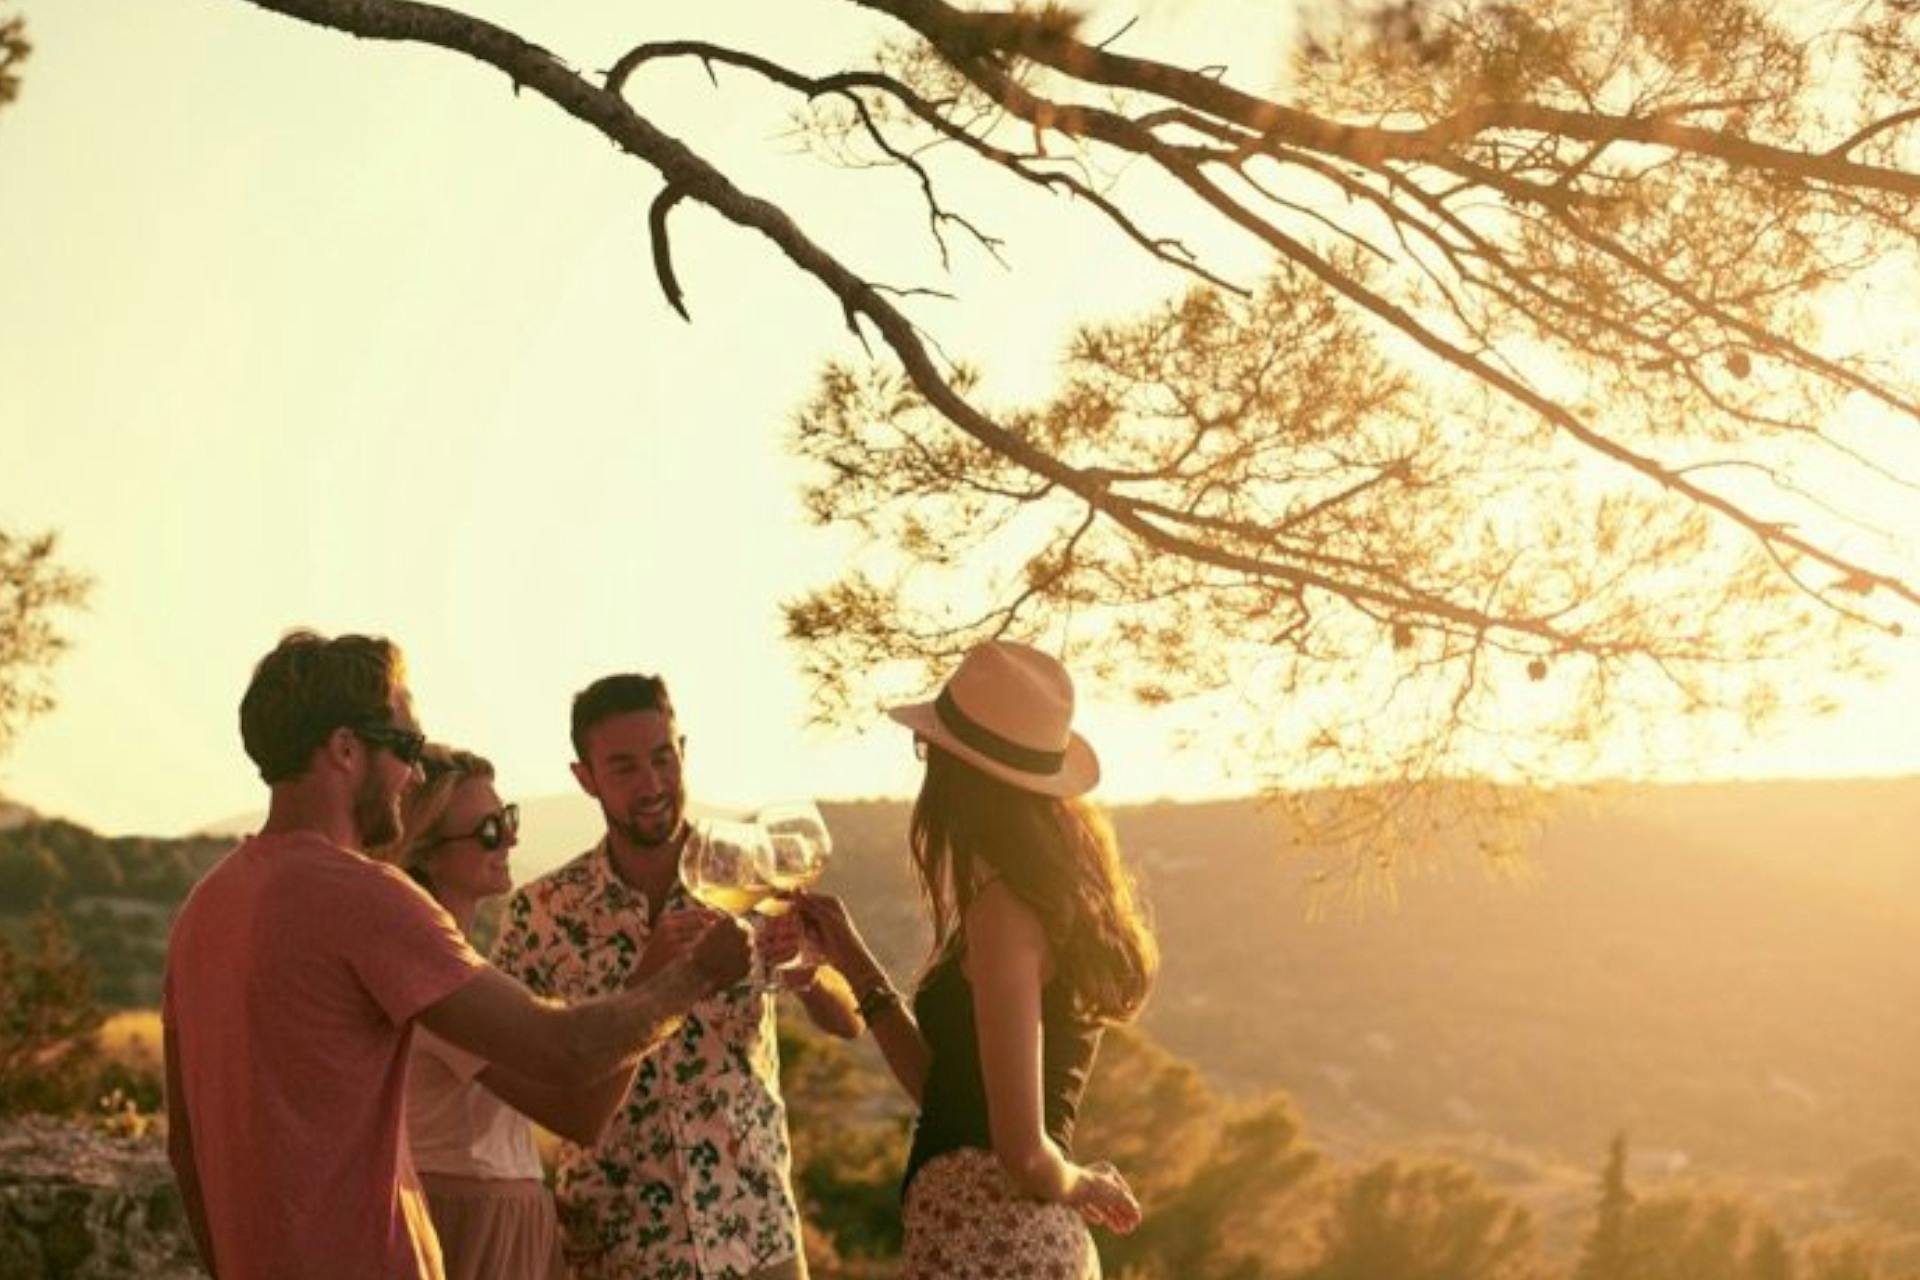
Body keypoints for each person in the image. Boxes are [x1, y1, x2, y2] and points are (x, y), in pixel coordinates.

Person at [163, 631, 750, 1280]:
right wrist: (696, 974)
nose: (415, 774)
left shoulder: (204, 907)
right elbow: (566, 1052)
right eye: (407, 746)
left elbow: (185, 1148)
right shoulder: (363, 896)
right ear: (346, 750)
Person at [795, 640, 1159, 1279]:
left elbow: (1022, 1154)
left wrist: (1078, 1183)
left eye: (928, 750)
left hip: (994, 1251)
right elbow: (950, 1093)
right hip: (995, 1247)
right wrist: (856, 964)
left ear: (958, 775)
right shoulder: (1029, 901)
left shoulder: (1005, 914)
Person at [491, 673, 862, 1280]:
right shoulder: (542, 911)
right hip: (620, 1247)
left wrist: (805, 970)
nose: (653, 784)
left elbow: (846, 1022)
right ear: (585, 778)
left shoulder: (755, 871)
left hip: (759, 1236)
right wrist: (652, 981)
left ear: (683, 752)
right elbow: (515, 1067)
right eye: (625, 767)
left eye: (663, 759)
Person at [379, 745, 722, 1279]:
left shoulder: (460, 965)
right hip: (469, 1224)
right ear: (426, 854)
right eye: (489, 831)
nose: (511, 838)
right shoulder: (440, 984)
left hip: (506, 1213)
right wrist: (658, 984)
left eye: (508, 818)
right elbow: (579, 1115)